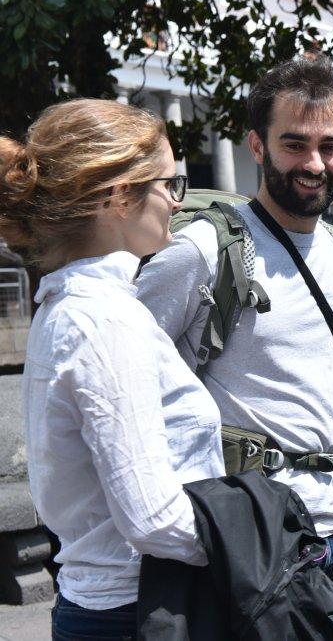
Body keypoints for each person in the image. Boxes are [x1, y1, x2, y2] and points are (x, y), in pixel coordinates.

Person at [136, 57, 333, 622]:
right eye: (294, 144)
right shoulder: (204, 251)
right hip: (258, 541)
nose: (314, 163)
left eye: (329, 145)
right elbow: (126, 378)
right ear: (256, 146)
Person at [0, 99, 224, 638]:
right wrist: (262, 537)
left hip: (115, 605)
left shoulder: (74, 305)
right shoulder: (103, 320)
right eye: (169, 185)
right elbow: (153, 519)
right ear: (119, 196)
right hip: (140, 611)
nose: (176, 201)